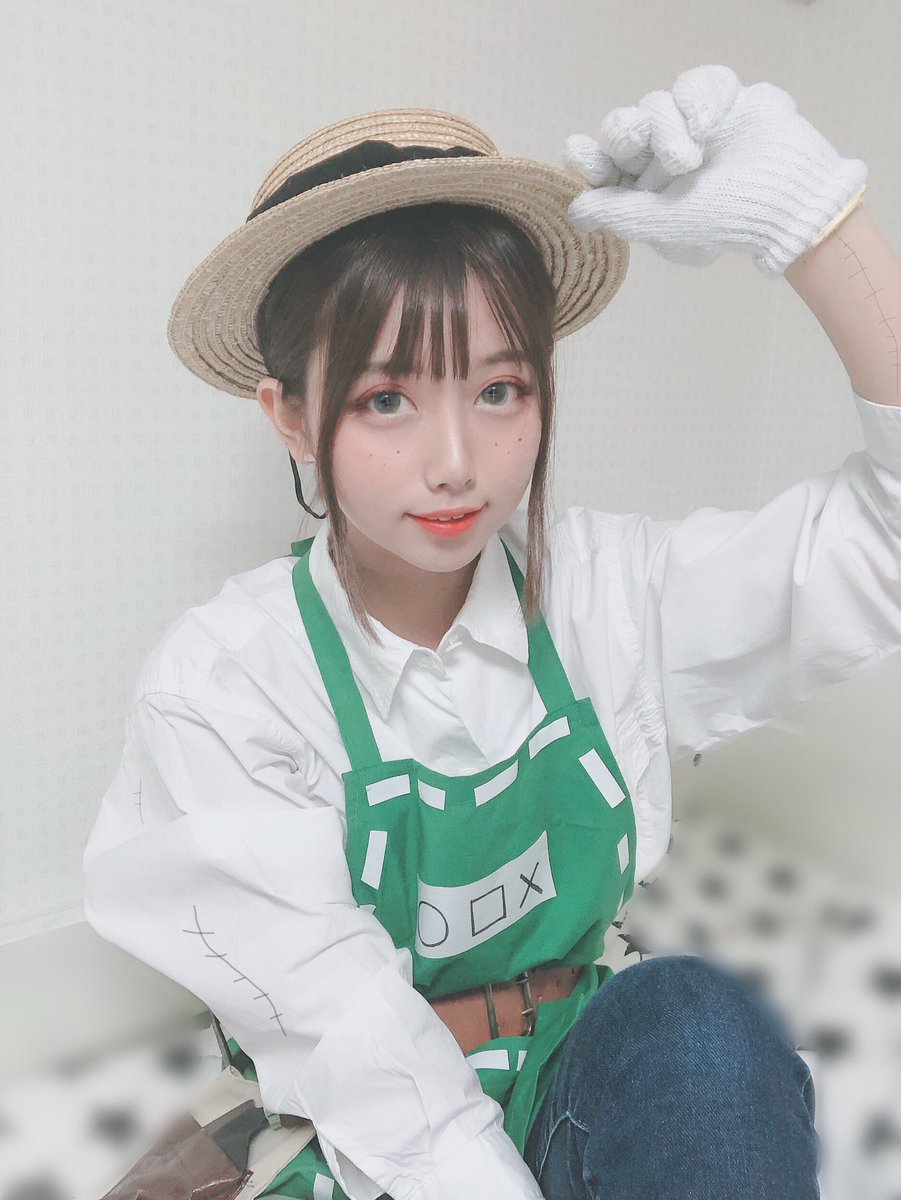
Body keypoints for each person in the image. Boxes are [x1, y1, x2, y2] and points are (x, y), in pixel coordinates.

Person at [81, 64, 901, 1200]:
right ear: (291, 417)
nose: (456, 462)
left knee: (698, 1020)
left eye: (500, 390)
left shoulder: (614, 594)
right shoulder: (227, 686)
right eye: (386, 400)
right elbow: (361, 1055)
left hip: (568, 1069)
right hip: (342, 1128)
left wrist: (822, 231)